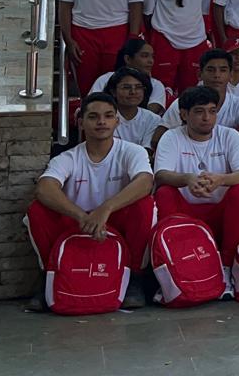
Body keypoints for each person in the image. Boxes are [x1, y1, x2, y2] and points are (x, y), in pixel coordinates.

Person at [25, 93, 155, 309]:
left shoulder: (132, 151)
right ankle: (49, 275)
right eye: (93, 117)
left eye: (108, 116)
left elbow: (145, 182)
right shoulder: (68, 157)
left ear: (117, 121)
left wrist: (106, 209)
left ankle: (134, 278)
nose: (102, 122)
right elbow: (44, 188)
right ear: (81, 123)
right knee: (38, 210)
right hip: (78, 222)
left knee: (145, 206)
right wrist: (80, 215)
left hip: (115, 218)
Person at [153, 85, 239, 299]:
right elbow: (160, 175)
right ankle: (177, 267)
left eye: (212, 111)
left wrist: (220, 180)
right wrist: (188, 179)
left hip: (219, 210)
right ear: (183, 114)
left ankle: (227, 268)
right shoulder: (171, 137)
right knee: (164, 193)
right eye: (199, 111)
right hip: (185, 211)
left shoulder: (230, 135)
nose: (207, 117)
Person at [154, 50, 239, 161]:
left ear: (231, 75)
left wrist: (208, 136)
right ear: (199, 74)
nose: (217, 75)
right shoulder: (183, 102)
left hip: (224, 158)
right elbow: (157, 138)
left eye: (223, 70)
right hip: (189, 157)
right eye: (211, 70)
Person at [90, 39, 167, 115]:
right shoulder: (105, 79)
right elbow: (92, 105)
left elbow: (151, 113)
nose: (151, 61)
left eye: (152, 56)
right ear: (128, 59)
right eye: (144, 56)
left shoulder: (156, 85)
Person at [105, 67, 163, 149]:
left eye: (138, 87)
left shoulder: (153, 119)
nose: (133, 92)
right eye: (126, 87)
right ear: (113, 91)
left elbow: (147, 152)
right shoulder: (104, 117)